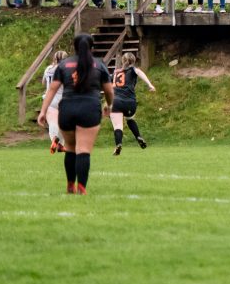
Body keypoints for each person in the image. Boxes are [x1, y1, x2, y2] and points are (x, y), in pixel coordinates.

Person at [36, 32, 112, 194]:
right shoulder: (99, 65)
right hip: (89, 108)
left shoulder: (64, 65)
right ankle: (81, 187)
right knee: (83, 149)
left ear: (74, 47)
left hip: (67, 108)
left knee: (70, 147)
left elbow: (52, 89)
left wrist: (43, 111)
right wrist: (109, 105)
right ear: (92, 47)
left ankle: (70, 184)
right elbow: (109, 91)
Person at [109, 51, 157, 155]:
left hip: (116, 102)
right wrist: (150, 85)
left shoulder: (116, 72)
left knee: (118, 126)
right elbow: (139, 73)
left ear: (122, 60)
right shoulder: (133, 69)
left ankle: (118, 144)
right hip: (130, 102)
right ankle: (138, 136)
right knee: (130, 118)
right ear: (134, 61)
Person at [41, 49, 68, 153]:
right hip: (62, 99)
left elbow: (43, 82)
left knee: (52, 121)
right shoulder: (65, 69)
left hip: (49, 99)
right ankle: (61, 145)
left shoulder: (48, 68)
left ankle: (54, 139)